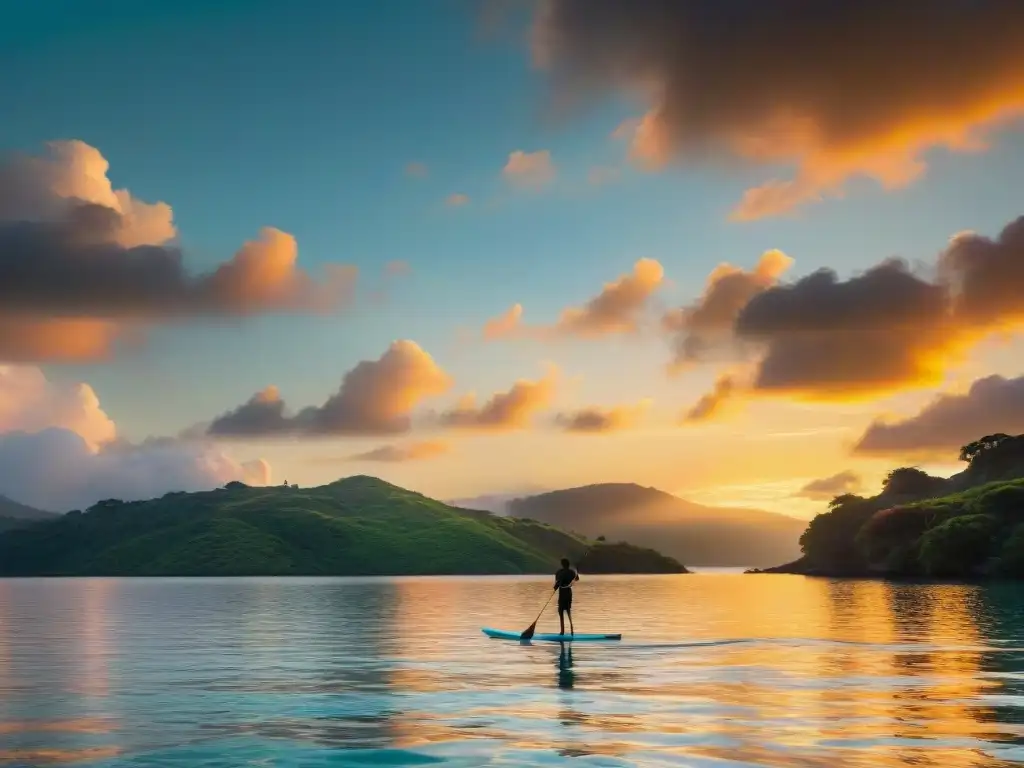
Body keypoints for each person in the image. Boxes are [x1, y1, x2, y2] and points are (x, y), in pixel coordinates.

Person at [553, 557, 579, 636]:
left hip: (562, 593)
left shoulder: (559, 572)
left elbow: (557, 583)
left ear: (562, 564)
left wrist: (555, 587)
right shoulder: (572, 572)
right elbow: (577, 579)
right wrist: (576, 576)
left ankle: (562, 631)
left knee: (560, 611)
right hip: (568, 592)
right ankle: (572, 630)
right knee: (568, 610)